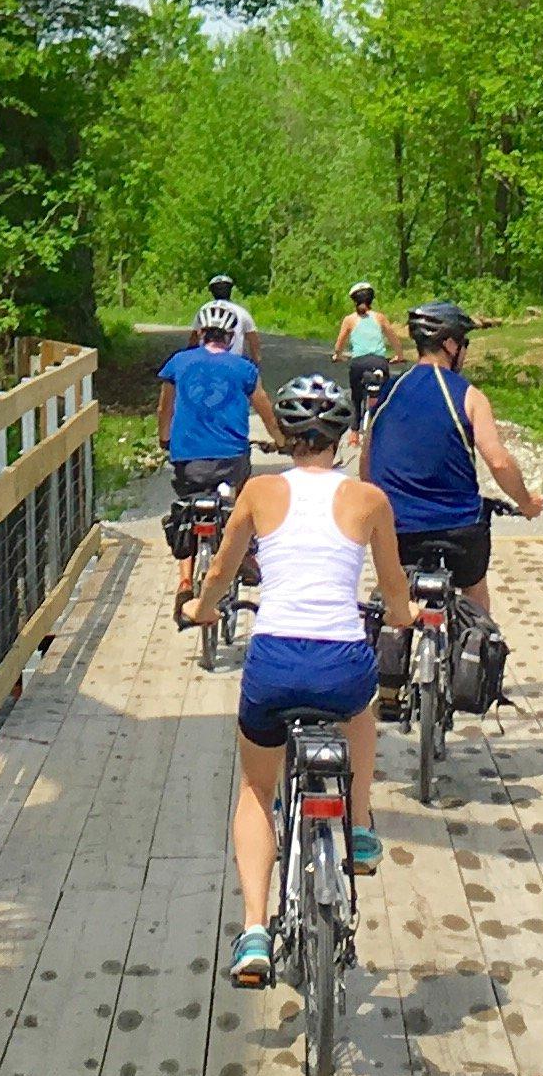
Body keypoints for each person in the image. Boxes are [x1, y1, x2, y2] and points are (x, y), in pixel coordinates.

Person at [197, 372, 413, 985]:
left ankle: (256, 931)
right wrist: (401, 615)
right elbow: (394, 590)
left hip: (273, 663)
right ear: (343, 438)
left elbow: (222, 571)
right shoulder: (369, 499)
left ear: (285, 437)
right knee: (362, 711)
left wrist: (203, 608)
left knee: (255, 791)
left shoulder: (260, 491)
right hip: (341, 662)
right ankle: (362, 825)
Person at [358, 302, 538, 685]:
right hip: (460, 530)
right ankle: (472, 667)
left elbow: (367, 461)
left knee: (394, 591)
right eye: (465, 343)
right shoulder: (469, 395)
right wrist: (526, 503)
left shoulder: (389, 392)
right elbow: (499, 461)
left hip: (399, 530)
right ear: (452, 345)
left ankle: (389, 680)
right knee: (474, 587)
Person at [158, 292, 279, 624]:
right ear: (229, 338)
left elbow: (164, 407)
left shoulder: (178, 362)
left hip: (188, 459)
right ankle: (242, 554)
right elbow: (265, 408)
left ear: (200, 335)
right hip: (231, 458)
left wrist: (164, 437)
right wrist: (280, 439)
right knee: (241, 501)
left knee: (186, 508)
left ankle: (185, 581)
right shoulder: (243, 369)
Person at [336, 285, 392, 424]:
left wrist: (337, 356)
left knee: (356, 396)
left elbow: (339, 345)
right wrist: (400, 356)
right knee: (385, 395)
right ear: (371, 300)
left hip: (359, 363)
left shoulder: (349, 320)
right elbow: (394, 339)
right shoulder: (380, 318)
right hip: (379, 362)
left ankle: (354, 431)